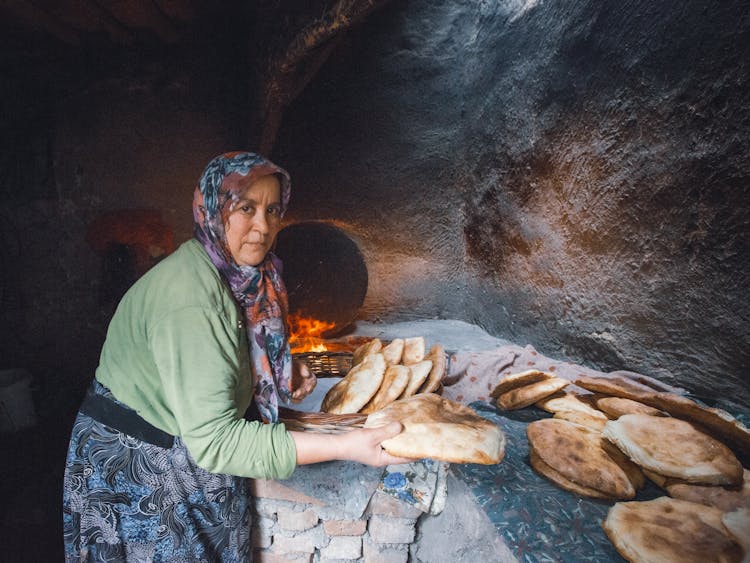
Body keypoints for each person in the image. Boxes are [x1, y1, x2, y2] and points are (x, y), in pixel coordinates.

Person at [63, 151, 411, 562]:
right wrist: (348, 445)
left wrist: (275, 368)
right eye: (246, 208)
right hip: (139, 467)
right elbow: (216, 442)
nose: (263, 227)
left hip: (178, 440)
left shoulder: (243, 277)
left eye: (273, 210)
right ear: (213, 208)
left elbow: (224, 349)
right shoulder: (190, 299)